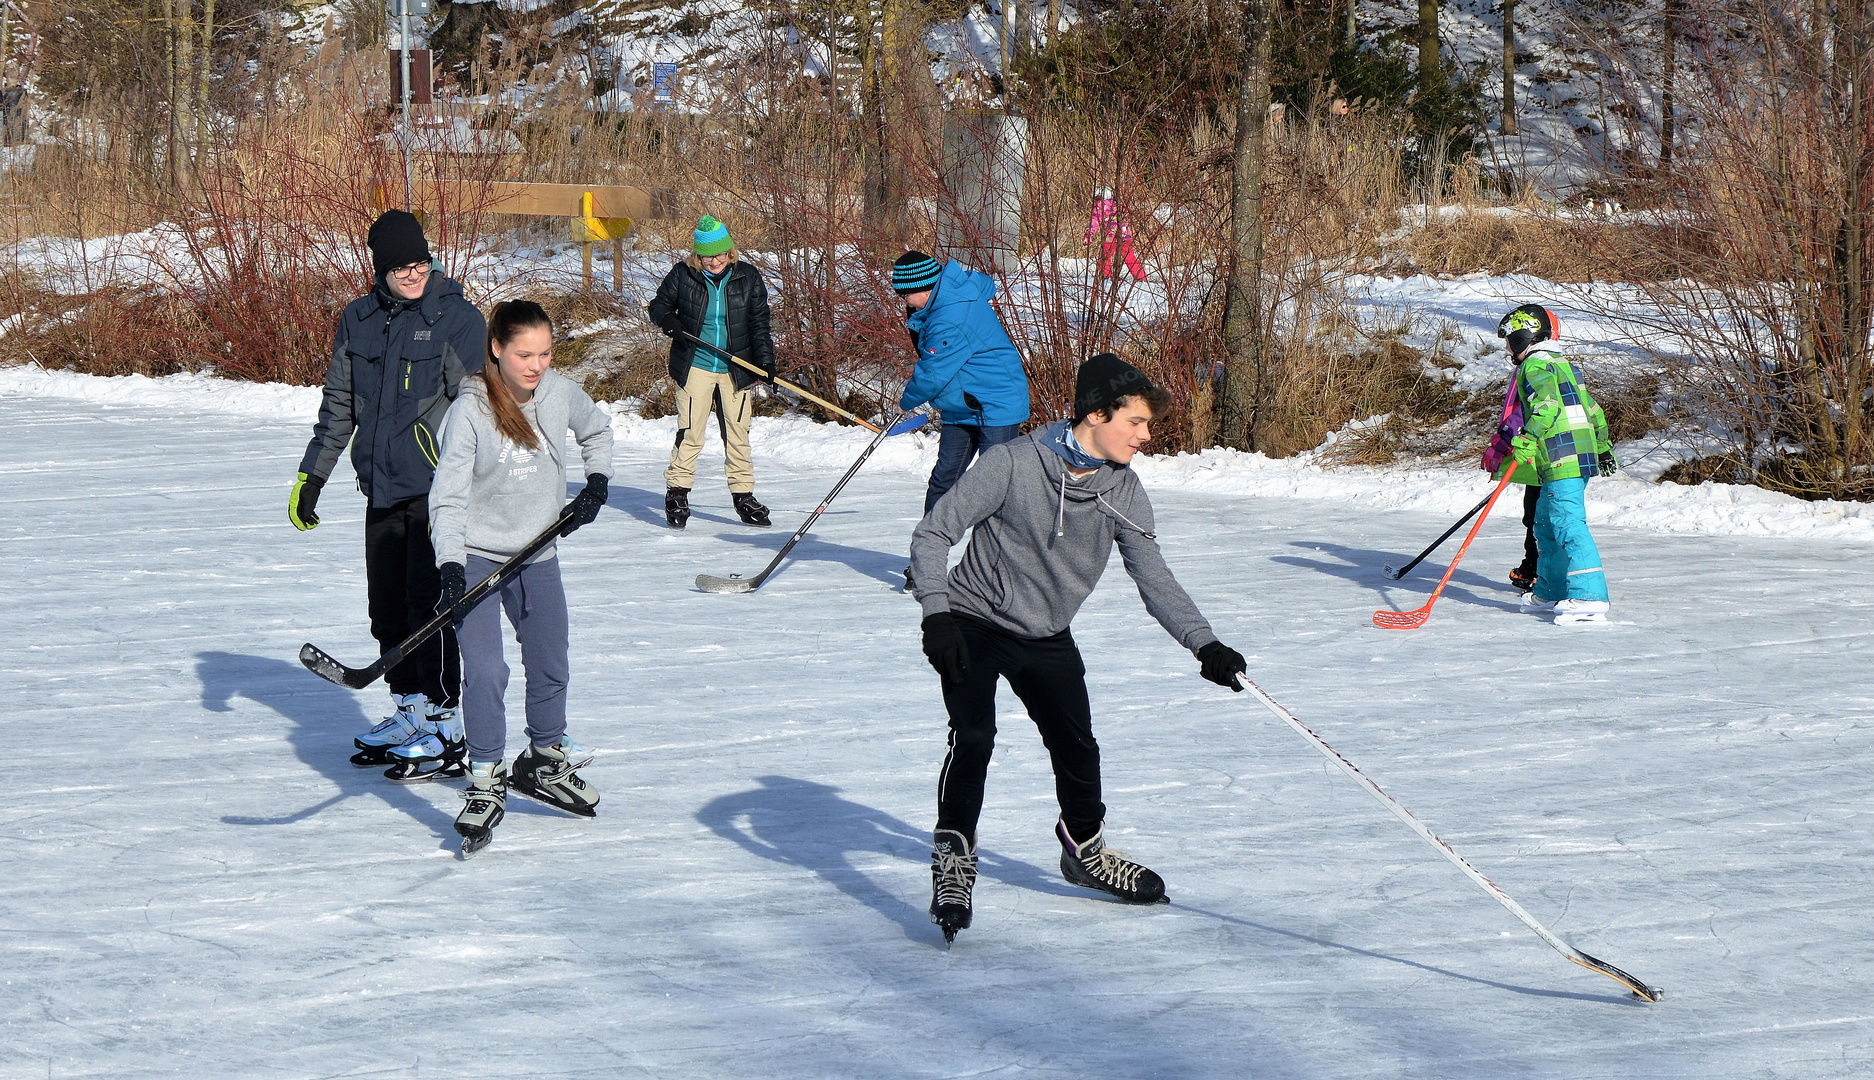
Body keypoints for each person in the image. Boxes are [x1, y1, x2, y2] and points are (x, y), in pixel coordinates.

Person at [907, 352, 1248, 942]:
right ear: (1096, 414)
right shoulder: (1012, 464)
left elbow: (1153, 575)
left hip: (1046, 631)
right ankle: (954, 858)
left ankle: (1084, 850)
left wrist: (1205, 644)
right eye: (1136, 423)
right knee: (975, 735)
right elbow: (935, 532)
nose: (1145, 436)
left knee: (1077, 745)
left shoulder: (1124, 490)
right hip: (973, 619)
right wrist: (936, 614)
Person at [290, 209, 486, 779]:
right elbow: (340, 407)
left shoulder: (458, 321)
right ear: (380, 267)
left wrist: (477, 485)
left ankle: (447, 725)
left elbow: (480, 411)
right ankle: (411, 711)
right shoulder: (359, 319)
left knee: (431, 608)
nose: (411, 273)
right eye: (400, 265)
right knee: (387, 607)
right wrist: (313, 477)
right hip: (381, 489)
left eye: (419, 262)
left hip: (437, 492)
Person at [428, 300, 614, 855]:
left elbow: (597, 431)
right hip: (477, 556)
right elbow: (449, 497)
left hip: (538, 552)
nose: (537, 365)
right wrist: (450, 565)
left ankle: (544, 758)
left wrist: (597, 483)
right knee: (486, 670)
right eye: (524, 354)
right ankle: (486, 780)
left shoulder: (558, 393)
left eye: (546, 353)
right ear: (496, 350)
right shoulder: (469, 413)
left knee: (551, 657)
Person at [892, 250, 1031, 588]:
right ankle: (927, 560)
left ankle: (999, 568)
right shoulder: (937, 305)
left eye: (905, 293)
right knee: (944, 480)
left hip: (996, 405)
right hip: (961, 404)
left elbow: (932, 371)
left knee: (996, 487)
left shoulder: (952, 313)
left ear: (924, 286)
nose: (903, 301)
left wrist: (905, 404)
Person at [648, 215, 777, 530]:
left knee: (738, 433)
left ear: (730, 251)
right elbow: (658, 306)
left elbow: (759, 323)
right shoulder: (683, 275)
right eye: (708, 255)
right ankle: (677, 492)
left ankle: (743, 495)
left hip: (737, 367)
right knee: (690, 431)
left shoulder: (748, 277)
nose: (715, 261)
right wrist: (670, 322)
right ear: (697, 255)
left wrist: (766, 361)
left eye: (721, 254)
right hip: (696, 365)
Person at [1491, 304, 1615, 625]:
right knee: (1544, 525)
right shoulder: (1563, 364)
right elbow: (1594, 410)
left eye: (1510, 340)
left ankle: (1590, 597)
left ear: (1524, 338)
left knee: (1568, 525)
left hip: (1563, 457)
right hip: (1572, 457)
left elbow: (1546, 409)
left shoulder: (1533, 367)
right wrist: (1602, 449)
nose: (1508, 347)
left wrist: (1527, 438)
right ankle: (1550, 590)